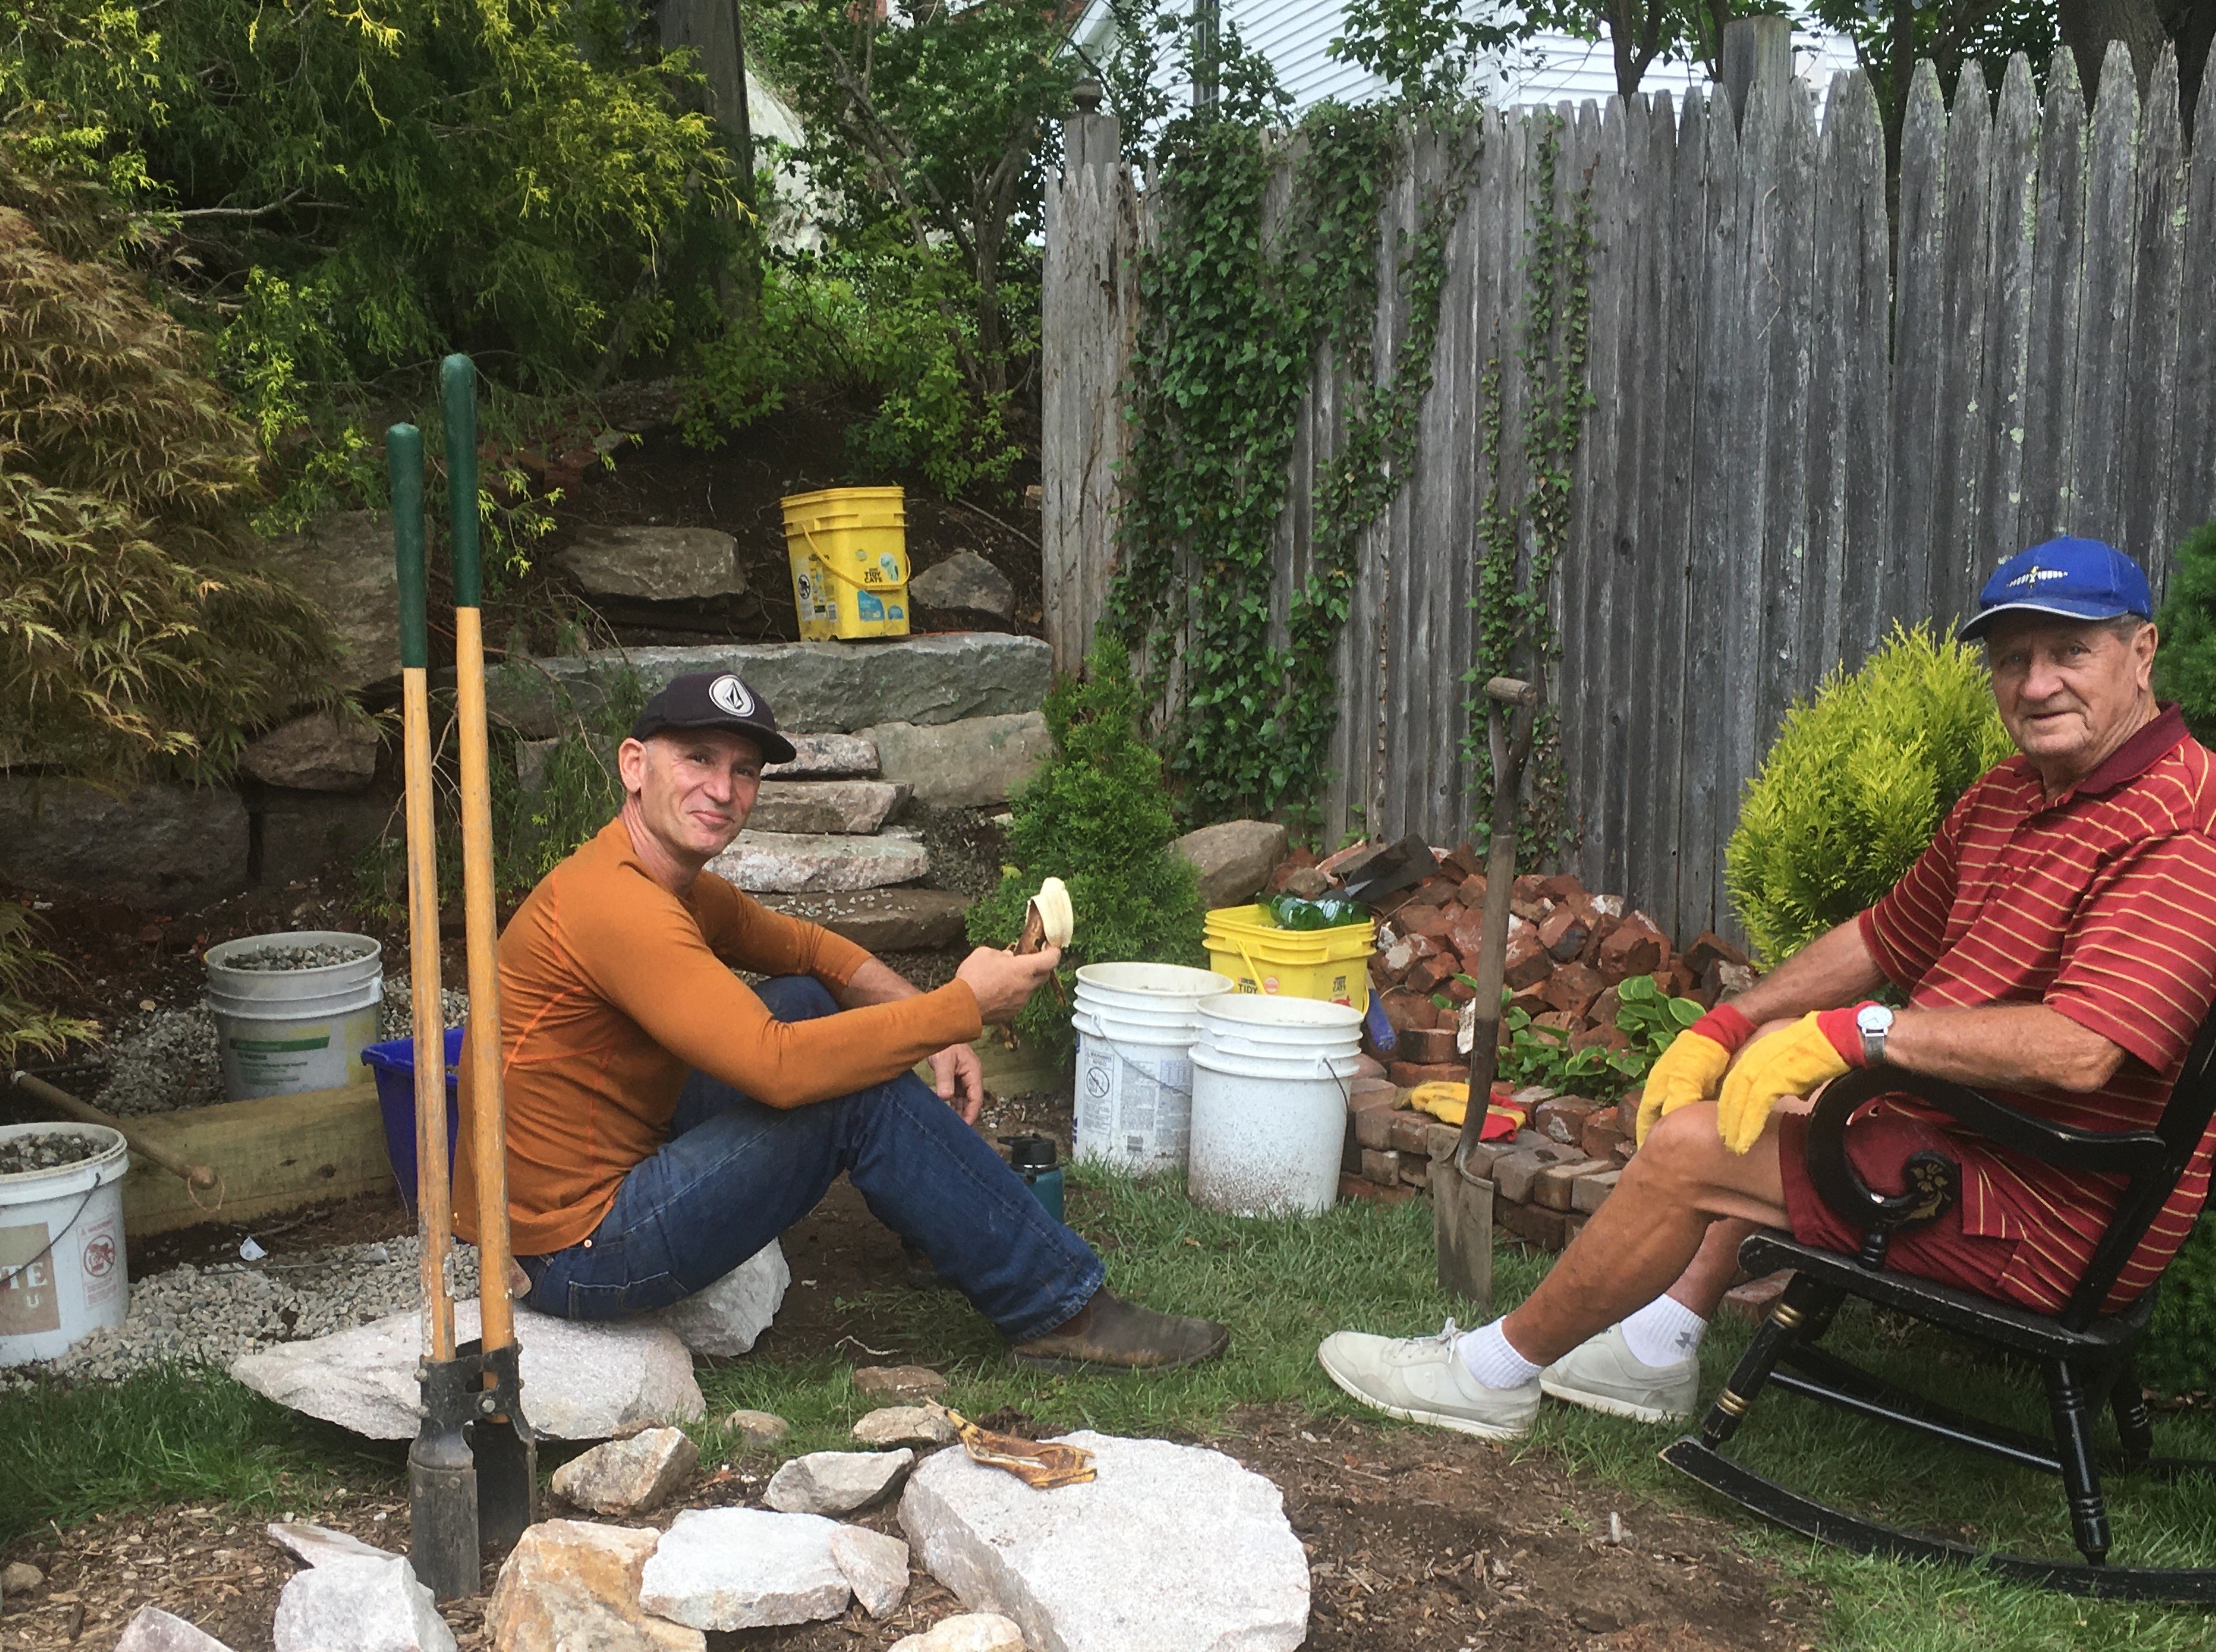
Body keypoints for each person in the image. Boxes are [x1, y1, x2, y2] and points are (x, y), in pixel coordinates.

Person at [1319, 534, 2216, 1439]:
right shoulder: (2012, 794)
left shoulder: (2178, 826)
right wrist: (1731, 1022)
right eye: (2013, 659)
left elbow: (2082, 1049)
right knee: (1763, 1093)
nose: (2036, 683)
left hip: (2052, 1213)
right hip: (1976, 1144)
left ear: (2141, 653)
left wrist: (1859, 1036)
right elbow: (1881, 935)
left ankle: (1490, 1377)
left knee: (1691, 1150)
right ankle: (1655, 1349)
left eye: (2070, 651)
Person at [453, 671, 1227, 1369]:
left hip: (601, 1176)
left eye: (744, 770)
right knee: (846, 1093)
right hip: (573, 1251)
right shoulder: (618, 905)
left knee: (803, 999)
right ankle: (1060, 1308)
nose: (722, 789)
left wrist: (930, 1020)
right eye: (698, 759)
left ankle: (947, 1222)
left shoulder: (661, 879)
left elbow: (808, 950)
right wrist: (959, 1007)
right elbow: (778, 1069)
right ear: (634, 765)